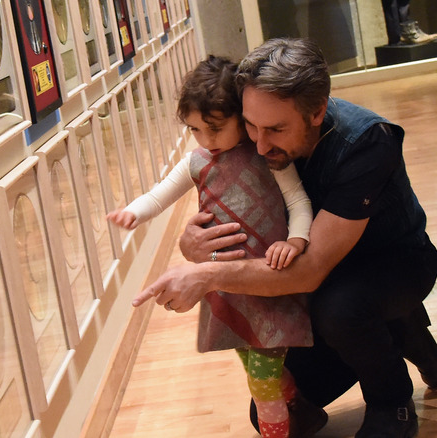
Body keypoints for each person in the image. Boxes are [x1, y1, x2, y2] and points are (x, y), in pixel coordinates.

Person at [132, 38, 437, 438]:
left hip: (392, 264)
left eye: (276, 129)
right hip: (316, 289)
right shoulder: (252, 137)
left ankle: (392, 398)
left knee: (342, 309)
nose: (259, 145)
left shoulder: (367, 141)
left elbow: (309, 271)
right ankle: (399, 330)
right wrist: (193, 244)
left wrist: (206, 277)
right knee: (278, 409)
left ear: (317, 112)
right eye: (249, 125)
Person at [109, 55, 324, 438]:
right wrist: (133, 213)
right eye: (195, 130)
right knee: (255, 366)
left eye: (215, 128)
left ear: (240, 118)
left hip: (270, 285)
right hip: (228, 289)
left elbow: (298, 202)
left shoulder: (268, 157)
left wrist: (296, 239)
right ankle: (303, 411)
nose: (206, 140)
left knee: (261, 385)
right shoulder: (196, 162)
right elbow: (159, 197)